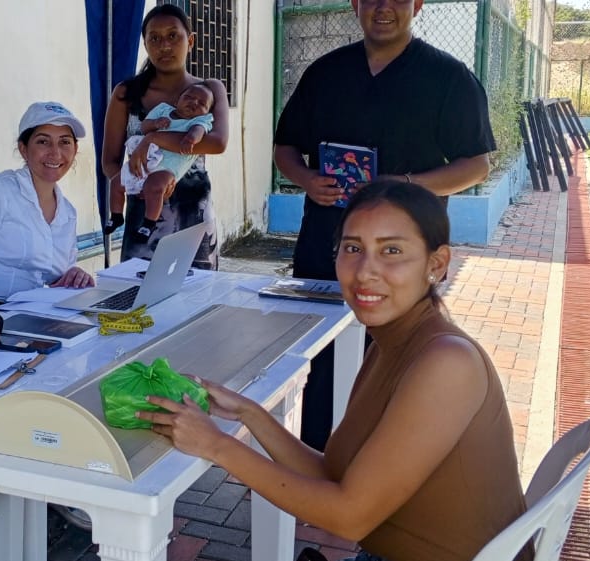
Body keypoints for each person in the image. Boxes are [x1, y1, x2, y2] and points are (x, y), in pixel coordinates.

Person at [141, 180, 527, 561]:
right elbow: (332, 475)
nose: (365, 271)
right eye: (353, 248)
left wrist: (216, 445)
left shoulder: (446, 363)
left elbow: (348, 517)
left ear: (436, 264)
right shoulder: (390, 343)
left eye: (392, 250)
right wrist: (248, 413)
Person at [273, 0, 496, 450]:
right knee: (320, 360)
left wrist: (406, 185)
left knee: (394, 359)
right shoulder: (325, 73)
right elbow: (285, 148)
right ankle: (319, 458)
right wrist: (306, 180)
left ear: (417, 5)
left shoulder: (448, 77)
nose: (383, 7)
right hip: (327, 247)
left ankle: (385, 466)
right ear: (355, 4)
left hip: (403, 254)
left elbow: (476, 166)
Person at [101, 3, 229, 269]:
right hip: (144, 219)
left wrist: (153, 139)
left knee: (198, 291)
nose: (165, 46)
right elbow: (110, 160)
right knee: (138, 290)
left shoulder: (208, 90)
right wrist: (134, 183)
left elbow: (217, 142)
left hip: (194, 216)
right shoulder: (126, 93)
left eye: (173, 36)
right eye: (155, 38)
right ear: (145, 44)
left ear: (190, 41)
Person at [0, 101, 95, 300]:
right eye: (43, 142)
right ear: (23, 149)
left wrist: (73, 275)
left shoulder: (67, 213)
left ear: (75, 149)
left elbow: (56, 277)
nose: (55, 153)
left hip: (32, 308)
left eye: (64, 142)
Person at [106, 83, 215, 244]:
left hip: (168, 167)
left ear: (207, 112)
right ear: (177, 101)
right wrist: (155, 124)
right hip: (145, 160)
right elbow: (144, 127)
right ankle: (116, 216)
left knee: (155, 187)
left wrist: (190, 138)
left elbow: (199, 130)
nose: (194, 102)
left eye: (202, 103)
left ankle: (149, 223)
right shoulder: (163, 109)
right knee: (116, 182)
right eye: (189, 97)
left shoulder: (199, 120)